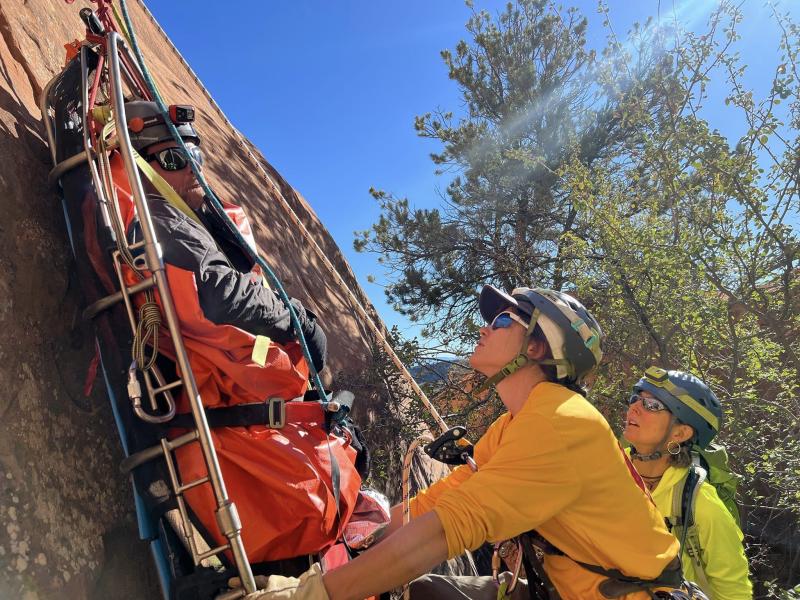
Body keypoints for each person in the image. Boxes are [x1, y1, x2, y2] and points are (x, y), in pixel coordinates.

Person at [252, 285, 692, 600]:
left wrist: (314, 593)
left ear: (537, 348)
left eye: (502, 319)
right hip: (559, 587)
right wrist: (365, 532)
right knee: (424, 592)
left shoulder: (563, 422)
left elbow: (449, 530)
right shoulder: (516, 421)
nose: (484, 327)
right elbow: (449, 496)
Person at [123, 100, 327, 370]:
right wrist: (299, 320)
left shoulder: (196, 214)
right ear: (140, 169)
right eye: (174, 159)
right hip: (225, 375)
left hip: (243, 362)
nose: (192, 168)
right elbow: (221, 294)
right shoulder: (162, 220)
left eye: (195, 156)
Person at [623, 368, 752, 599]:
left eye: (651, 405)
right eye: (636, 398)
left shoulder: (701, 504)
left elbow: (734, 591)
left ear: (681, 433)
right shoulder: (609, 466)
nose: (634, 408)